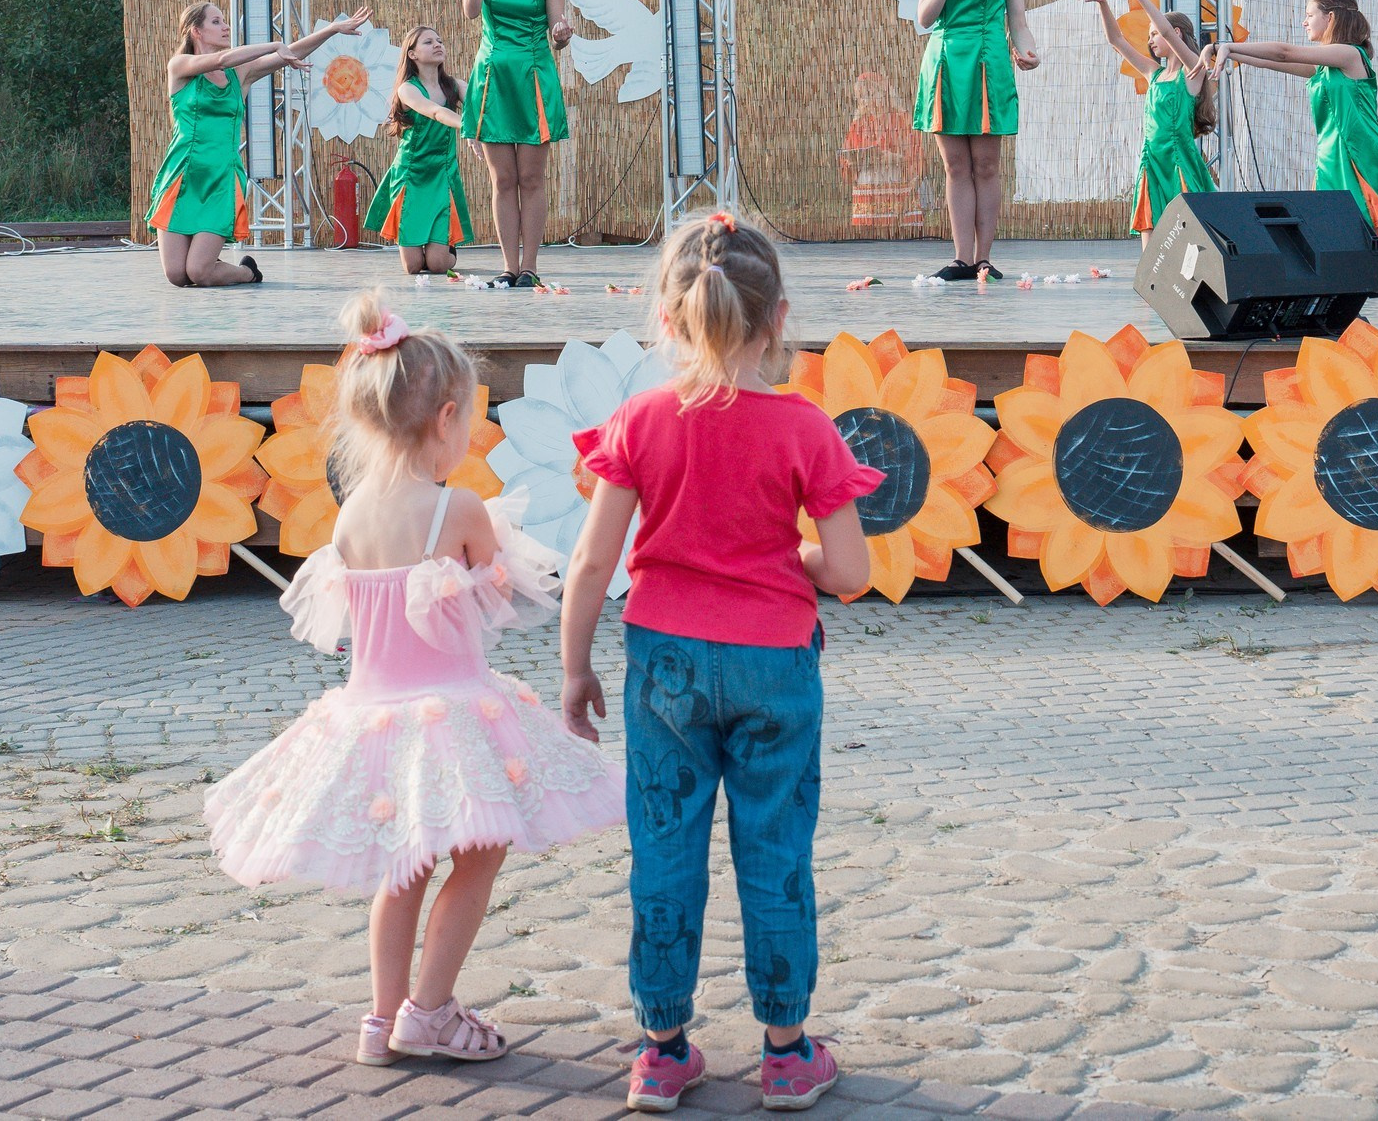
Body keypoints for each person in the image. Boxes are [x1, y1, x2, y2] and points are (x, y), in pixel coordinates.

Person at [204, 292, 623, 1067]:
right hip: (453, 711)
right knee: (484, 847)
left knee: (402, 865)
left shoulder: (349, 513)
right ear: (446, 417)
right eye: (468, 421)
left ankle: (381, 1015)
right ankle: (429, 1007)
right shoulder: (456, 508)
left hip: (372, 713)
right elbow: (498, 599)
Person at [560, 211, 880, 1113]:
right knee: (775, 847)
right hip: (776, 661)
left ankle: (661, 1048)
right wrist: (794, 565)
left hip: (664, 664)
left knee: (665, 847)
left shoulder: (643, 419)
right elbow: (850, 572)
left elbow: (592, 562)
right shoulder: (805, 429)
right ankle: (786, 1049)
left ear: (667, 319)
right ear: (779, 318)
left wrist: (574, 667)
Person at [148, 1, 371, 286]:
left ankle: (247, 272)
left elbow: (290, 54)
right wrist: (273, 44)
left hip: (220, 178)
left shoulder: (239, 74)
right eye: (216, 22)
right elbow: (220, 60)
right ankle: (208, 258)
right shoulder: (180, 66)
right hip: (181, 175)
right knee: (177, 276)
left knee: (199, 273)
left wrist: (331, 30)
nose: (225, 26)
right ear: (196, 31)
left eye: (224, 20)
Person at [1217, 0, 1378, 234]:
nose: (1304, 22)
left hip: (1355, 151)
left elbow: (1285, 53)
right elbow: (1274, 62)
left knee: (1351, 224)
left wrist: (1228, 46)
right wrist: (1227, 52)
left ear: (1330, 18)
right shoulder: (1325, 66)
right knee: (1334, 228)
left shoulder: (1349, 54)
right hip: (1330, 153)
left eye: (1309, 15)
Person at [913, 0, 1039, 282]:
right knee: (954, 167)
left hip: (989, 60)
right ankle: (961, 258)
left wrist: (1026, 50)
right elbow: (925, 19)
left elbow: (1017, 21)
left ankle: (983, 258)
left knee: (986, 166)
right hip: (947, 61)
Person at [462, 0, 574, 289]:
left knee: (530, 179)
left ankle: (530, 266)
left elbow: (557, 35)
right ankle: (509, 267)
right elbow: (471, 11)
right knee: (502, 179)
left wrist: (562, 34)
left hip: (532, 79)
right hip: (493, 79)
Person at [1075, 0, 1217, 235]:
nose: (1150, 40)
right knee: (1149, 220)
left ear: (1176, 33)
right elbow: (1116, 41)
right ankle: (1151, 274)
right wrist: (1103, 5)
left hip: (1177, 157)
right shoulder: (1155, 73)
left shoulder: (1192, 71)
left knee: (1187, 225)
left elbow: (1164, 29)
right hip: (1152, 156)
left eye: (1154, 34)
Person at [369, 26, 473, 276]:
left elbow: (480, 109)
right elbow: (435, 112)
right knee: (413, 268)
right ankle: (425, 247)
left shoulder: (455, 85)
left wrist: (478, 128)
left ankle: (443, 249)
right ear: (412, 54)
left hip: (442, 174)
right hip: (411, 176)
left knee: (438, 265)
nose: (438, 45)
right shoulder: (407, 89)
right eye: (428, 42)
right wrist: (467, 126)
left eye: (439, 40)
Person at [839, 71, 929, 233]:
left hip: (895, 179)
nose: (867, 100)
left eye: (871, 93)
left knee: (901, 234)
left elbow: (916, 154)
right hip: (867, 183)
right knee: (869, 236)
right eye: (862, 96)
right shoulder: (858, 123)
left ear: (884, 93)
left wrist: (895, 158)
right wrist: (852, 162)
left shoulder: (902, 119)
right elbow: (848, 155)